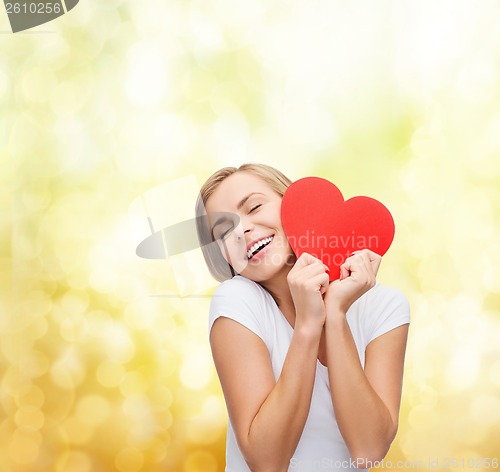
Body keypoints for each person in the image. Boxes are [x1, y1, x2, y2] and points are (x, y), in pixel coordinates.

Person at [195, 163, 410, 472]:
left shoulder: (385, 306)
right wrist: (308, 326)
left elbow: (368, 449)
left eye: (254, 206)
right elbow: (267, 462)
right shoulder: (237, 301)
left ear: (294, 203)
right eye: (223, 231)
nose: (241, 230)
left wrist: (334, 314)